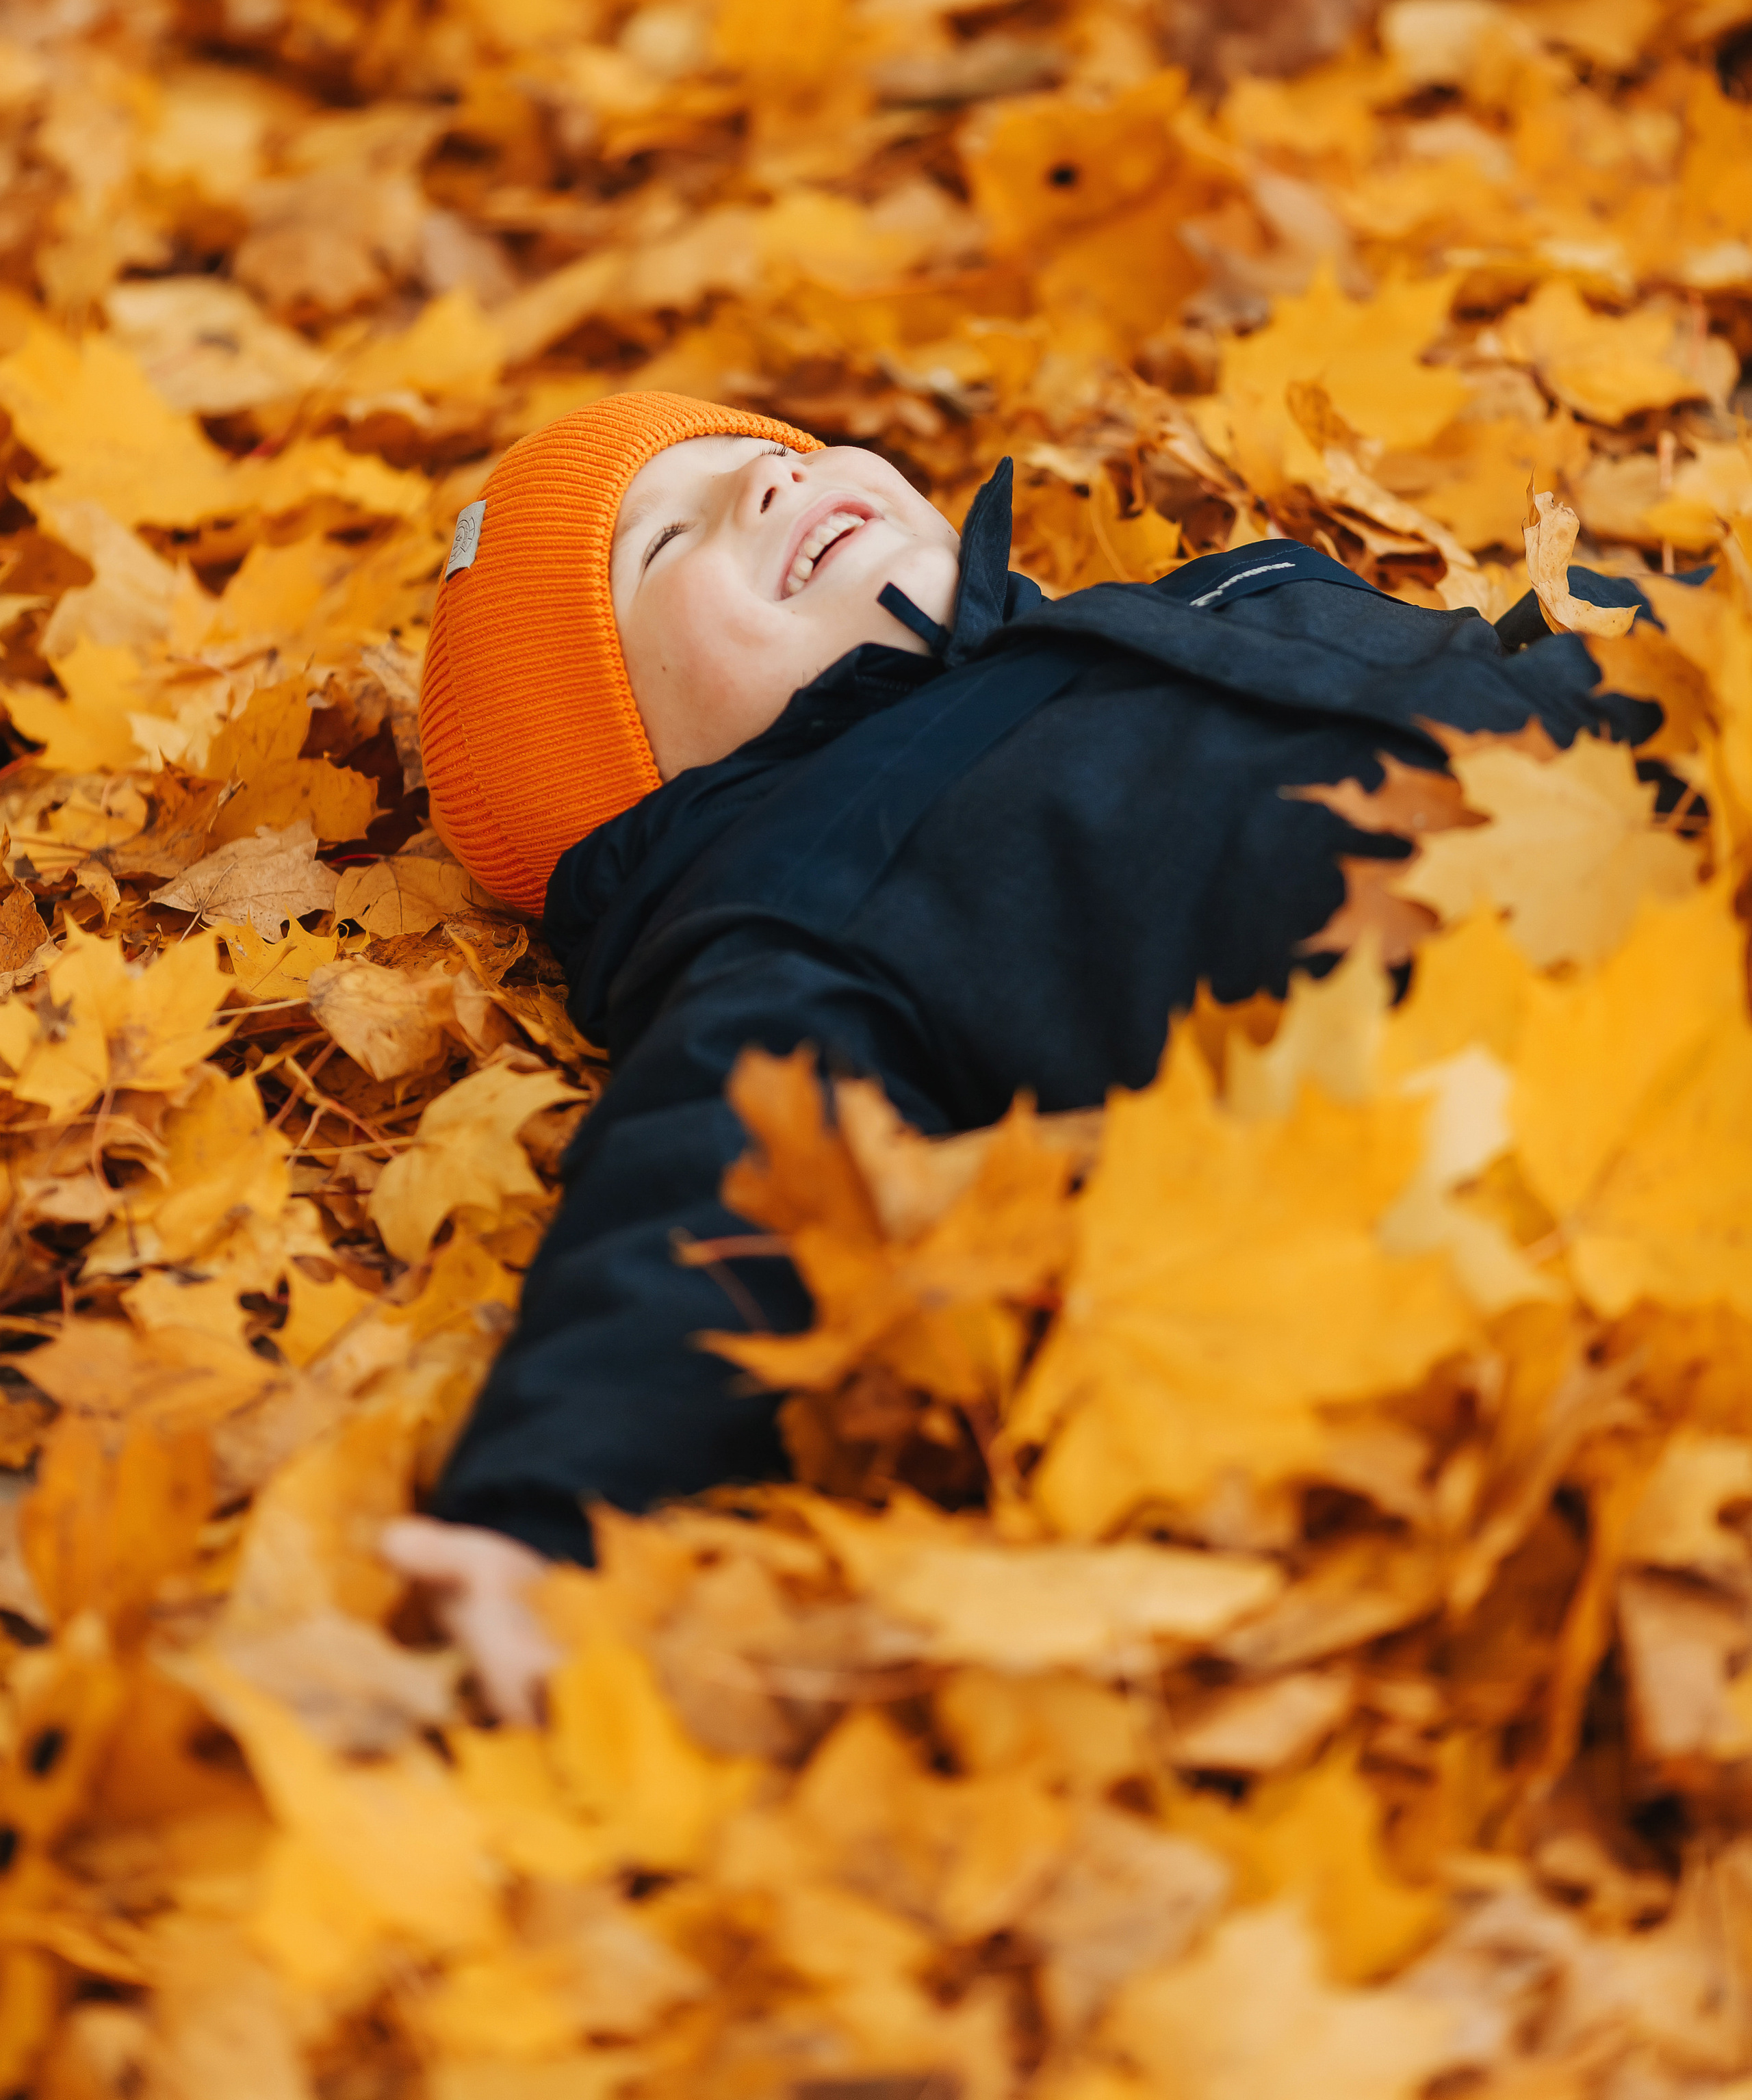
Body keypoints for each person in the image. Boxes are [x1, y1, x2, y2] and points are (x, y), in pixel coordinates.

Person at [385, 390, 1653, 1717]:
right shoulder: (802, 892)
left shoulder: (1196, 600)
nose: (762, 485)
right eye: (662, 542)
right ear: (632, 780)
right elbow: (717, 1172)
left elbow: (1512, 650)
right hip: (1526, 1067)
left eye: (763, 453)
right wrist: (552, 1511)